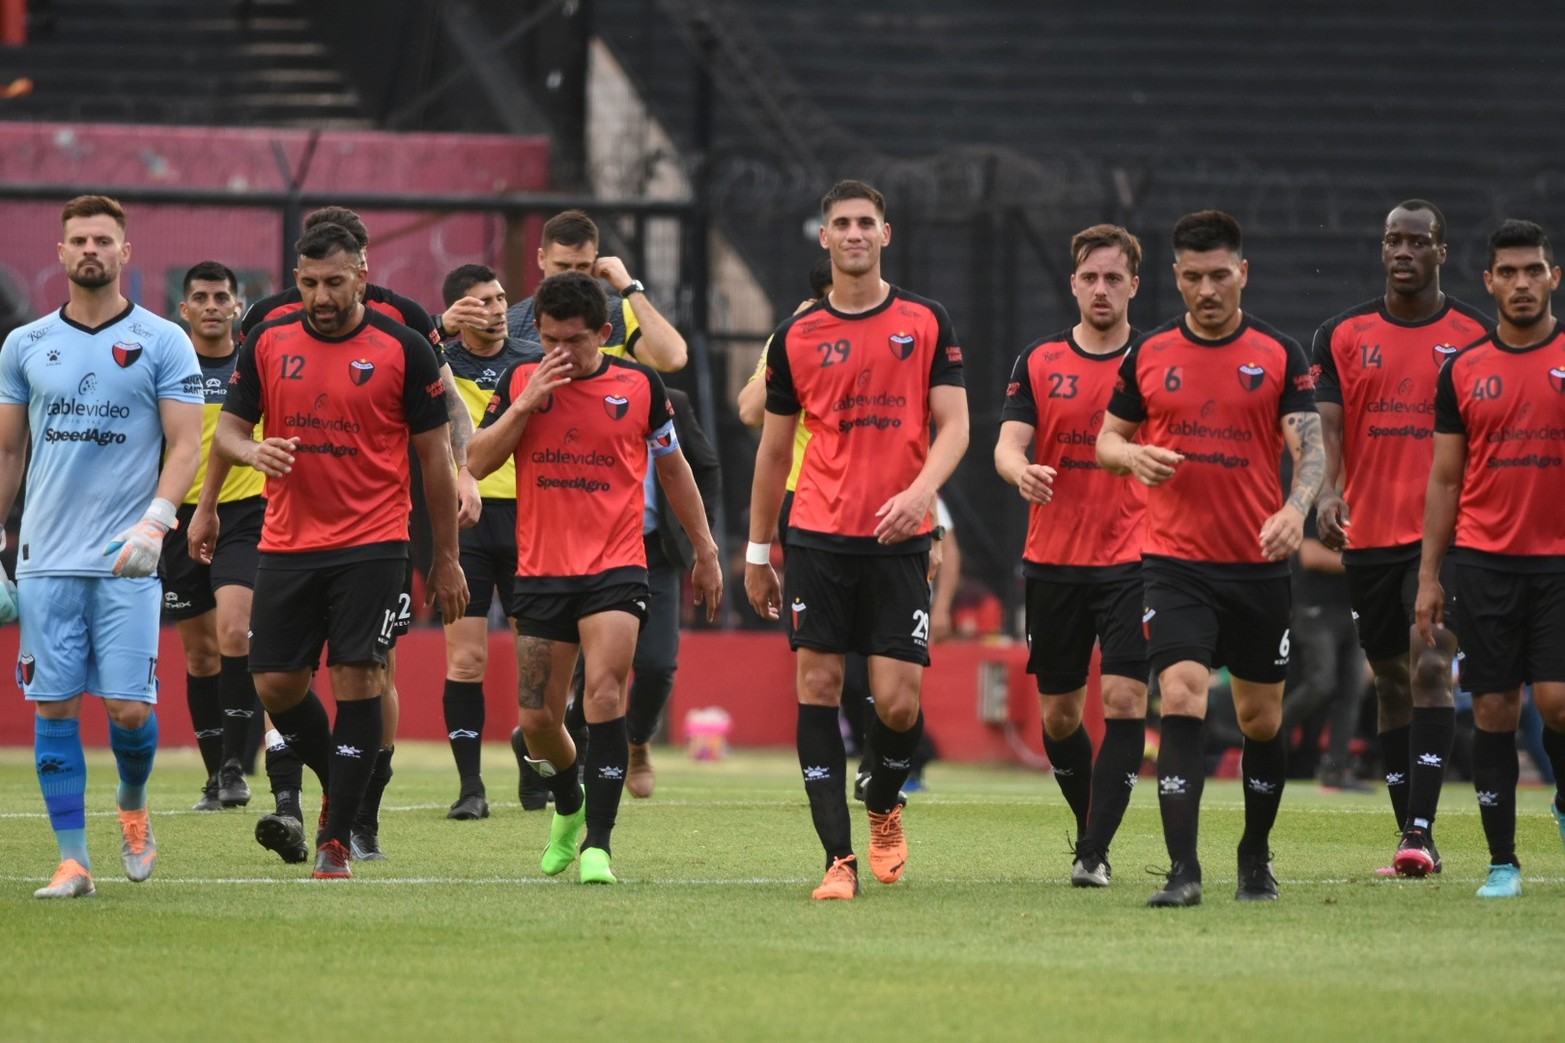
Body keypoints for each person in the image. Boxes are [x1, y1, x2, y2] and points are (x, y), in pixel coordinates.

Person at [209, 220, 467, 879]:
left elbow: (435, 460)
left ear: (361, 272)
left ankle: (334, 841)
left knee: (358, 679)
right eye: (308, 283)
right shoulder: (267, 340)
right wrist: (251, 450)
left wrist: (445, 555)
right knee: (277, 683)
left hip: (374, 542)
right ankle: (346, 792)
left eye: (334, 282)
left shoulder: (402, 346)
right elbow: (230, 431)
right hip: (287, 540)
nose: (321, 296)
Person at [745, 179, 969, 901]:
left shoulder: (925, 320)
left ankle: (882, 805)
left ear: (885, 233)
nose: (852, 233)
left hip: (898, 537)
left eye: (864, 222)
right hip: (815, 535)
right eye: (840, 223)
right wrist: (756, 551)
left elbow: (956, 426)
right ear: (823, 235)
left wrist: (919, 495)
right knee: (816, 684)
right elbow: (773, 453)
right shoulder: (795, 336)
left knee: (897, 703)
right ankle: (836, 858)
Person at [1096, 210, 1322, 907]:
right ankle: (1182, 870)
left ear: (1242, 273)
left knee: (1259, 718)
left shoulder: (1279, 354)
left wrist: (1294, 509)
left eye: (1219, 275)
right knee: (1182, 694)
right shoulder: (1148, 354)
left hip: (1256, 564)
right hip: (1173, 562)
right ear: (1175, 278)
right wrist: (1132, 454)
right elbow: (1105, 440)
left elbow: (1310, 447)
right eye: (1192, 277)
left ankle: (1253, 853)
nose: (1206, 290)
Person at [467, 270, 721, 885]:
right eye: (549, 339)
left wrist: (706, 550)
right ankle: (570, 806)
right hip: (542, 570)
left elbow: (675, 468)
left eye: (573, 341)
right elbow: (474, 461)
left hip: (616, 565)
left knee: (605, 694)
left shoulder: (639, 386)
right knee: (537, 721)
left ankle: (598, 846)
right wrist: (525, 405)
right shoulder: (521, 381)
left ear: (604, 335)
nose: (558, 352)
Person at [0, 194, 204, 898]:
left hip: (128, 557)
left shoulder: (164, 339)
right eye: (79, 239)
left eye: (104, 240)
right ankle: (72, 859)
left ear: (125, 252)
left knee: (129, 711)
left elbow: (186, 445)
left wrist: (157, 520)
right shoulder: (23, 345)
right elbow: (7, 453)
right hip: (45, 561)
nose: (91, 249)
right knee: (53, 707)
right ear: (60, 253)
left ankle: (134, 802)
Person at [1311, 200, 1492, 876]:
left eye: (1418, 241)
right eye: (1393, 240)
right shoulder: (1341, 334)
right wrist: (1328, 490)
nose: (1403, 252)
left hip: (1443, 539)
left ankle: (1417, 829)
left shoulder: (1475, 335)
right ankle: (1410, 836)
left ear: (1441, 252)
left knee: (1427, 667)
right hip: (1368, 535)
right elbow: (1328, 430)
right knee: (1388, 682)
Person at [995, 223, 1149, 888]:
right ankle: (1092, 825)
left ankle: (1093, 849)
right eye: (1090, 277)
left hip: (1133, 557)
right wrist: (1018, 470)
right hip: (1053, 558)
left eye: (1114, 277)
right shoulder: (1037, 360)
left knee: (1121, 697)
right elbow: (1005, 443)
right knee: (1059, 713)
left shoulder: (1155, 359)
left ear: (1134, 285)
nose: (1101, 288)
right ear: (1072, 284)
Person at [1415, 218, 1565, 899]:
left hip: (1558, 561)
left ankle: (1561, 800)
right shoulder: (1463, 369)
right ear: (1488, 282)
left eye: (1532, 270)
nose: (1521, 283)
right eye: (1507, 272)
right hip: (1483, 562)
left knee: (1559, 703)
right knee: (1494, 711)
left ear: (1552, 276)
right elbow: (1444, 479)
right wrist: (1427, 574)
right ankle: (1502, 861)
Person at [436, 263, 540, 820]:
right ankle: (470, 787)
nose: (498, 309)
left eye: (501, 298)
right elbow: (397, 341)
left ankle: (535, 764)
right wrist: (437, 328)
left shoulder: (534, 359)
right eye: (482, 302)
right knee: (468, 660)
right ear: (457, 310)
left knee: (537, 656)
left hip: (531, 520)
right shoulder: (435, 358)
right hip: (464, 525)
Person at [162, 261, 266, 812]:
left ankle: (234, 765)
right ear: (183, 309)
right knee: (200, 656)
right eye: (199, 297)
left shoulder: (255, 366)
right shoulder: (165, 370)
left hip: (245, 513)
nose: (210, 305)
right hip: (179, 520)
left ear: (236, 304)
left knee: (235, 633)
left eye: (220, 296)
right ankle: (215, 775)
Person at [443, 208, 686, 373]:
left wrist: (630, 288)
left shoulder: (620, 312)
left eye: (582, 266)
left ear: (597, 262)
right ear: (541, 258)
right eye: (562, 266)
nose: (572, 275)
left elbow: (673, 359)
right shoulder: (512, 324)